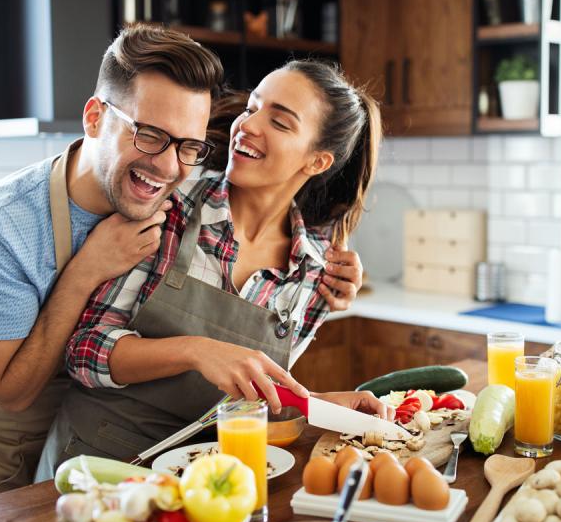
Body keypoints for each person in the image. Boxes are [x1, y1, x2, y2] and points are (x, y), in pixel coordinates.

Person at [36, 58, 387, 477]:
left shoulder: (313, 273)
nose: (249, 125)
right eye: (253, 107)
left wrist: (319, 404)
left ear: (316, 162)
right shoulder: (168, 206)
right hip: (97, 466)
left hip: (209, 477)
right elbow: (84, 352)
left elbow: (251, 399)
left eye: (279, 122)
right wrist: (194, 350)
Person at [0, 25, 224, 503]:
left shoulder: (172, 199)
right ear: (95, 118)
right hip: (14, 458)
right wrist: (85, 271)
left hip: (122, 454)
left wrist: (332, 274)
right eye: (151, 135)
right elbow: (10, 393)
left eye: (188, 146)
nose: (170, 167)